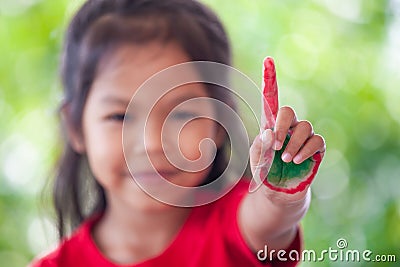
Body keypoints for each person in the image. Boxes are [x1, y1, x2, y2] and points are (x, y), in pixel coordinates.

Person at [30, 0, 326, 266]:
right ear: (76, 127)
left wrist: (279, 195)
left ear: (219, 122)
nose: (151, 143)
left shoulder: (239, 224)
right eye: (119, 116)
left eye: (182, 114)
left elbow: (271, 218)